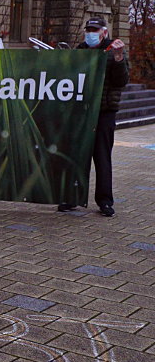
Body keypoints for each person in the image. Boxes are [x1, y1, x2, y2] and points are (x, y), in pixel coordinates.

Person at [58, 16, 129, 217]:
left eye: (95, 30)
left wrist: (118, 58)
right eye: (88, 29)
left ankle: (105, 201)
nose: (90, 33)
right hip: (81, 112)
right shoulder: (80, 50)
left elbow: (121, 81)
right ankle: (72, 197)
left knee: (102, 157)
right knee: (76, 155)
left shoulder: (115, 51)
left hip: (104, 112)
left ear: (104, 32)